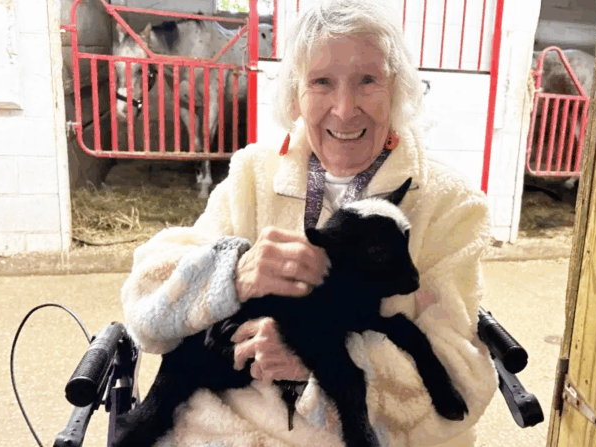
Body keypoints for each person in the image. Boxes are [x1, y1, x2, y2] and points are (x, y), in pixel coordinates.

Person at [120, 0, 498, 445]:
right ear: (295, 94)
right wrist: (231, 273)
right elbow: (146, 306)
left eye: (367, 80)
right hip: (236, 428)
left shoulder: (450, 203)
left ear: (395, 86)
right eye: (321, 82)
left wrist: (319, 356)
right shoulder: (253, 173)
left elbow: (464, 372)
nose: (343, 108)